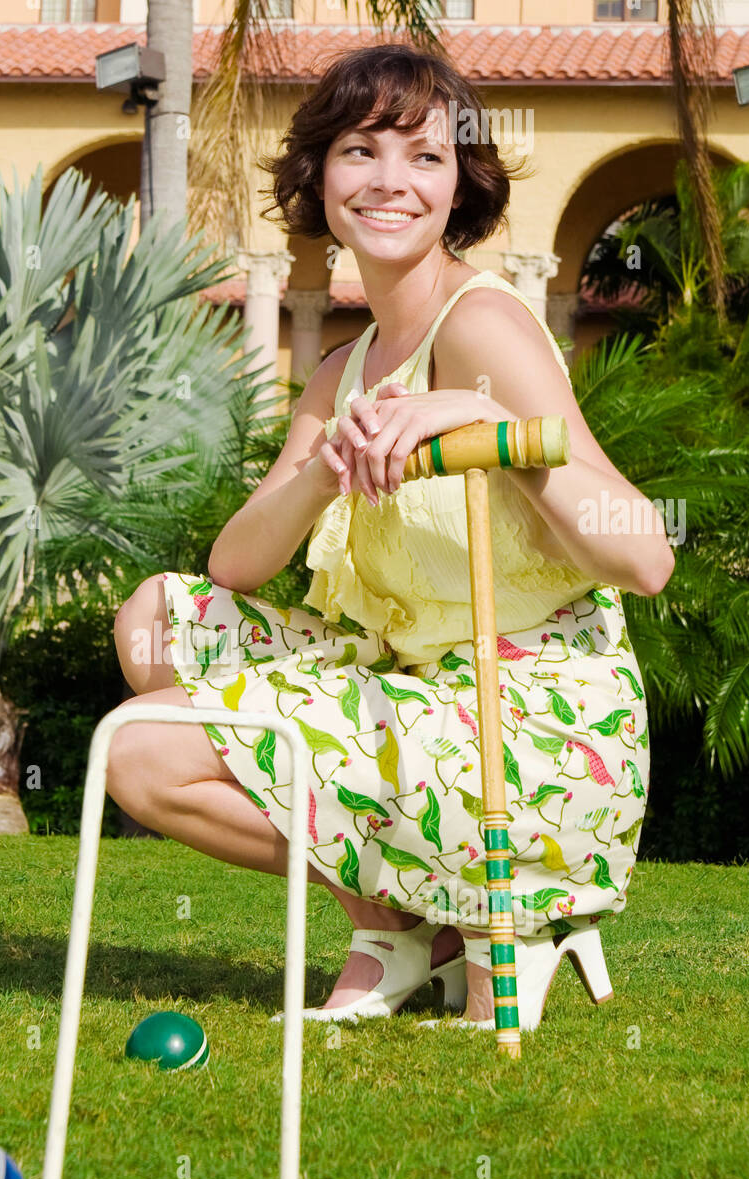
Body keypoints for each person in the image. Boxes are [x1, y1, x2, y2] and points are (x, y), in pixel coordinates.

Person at [108, 43, 672, 1029]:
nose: (390, 183)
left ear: (461, 185)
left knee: (154, 747)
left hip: (529, 720)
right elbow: (234, 567)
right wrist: (324, 465)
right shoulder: (342, 368)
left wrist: (483, 427)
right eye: (361, 152)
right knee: (156, 636)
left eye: (425, 157)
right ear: (319, 177)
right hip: (406, 688)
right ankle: (406, 924)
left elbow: (643, 557)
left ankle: (469, 917)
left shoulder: (483, 323)